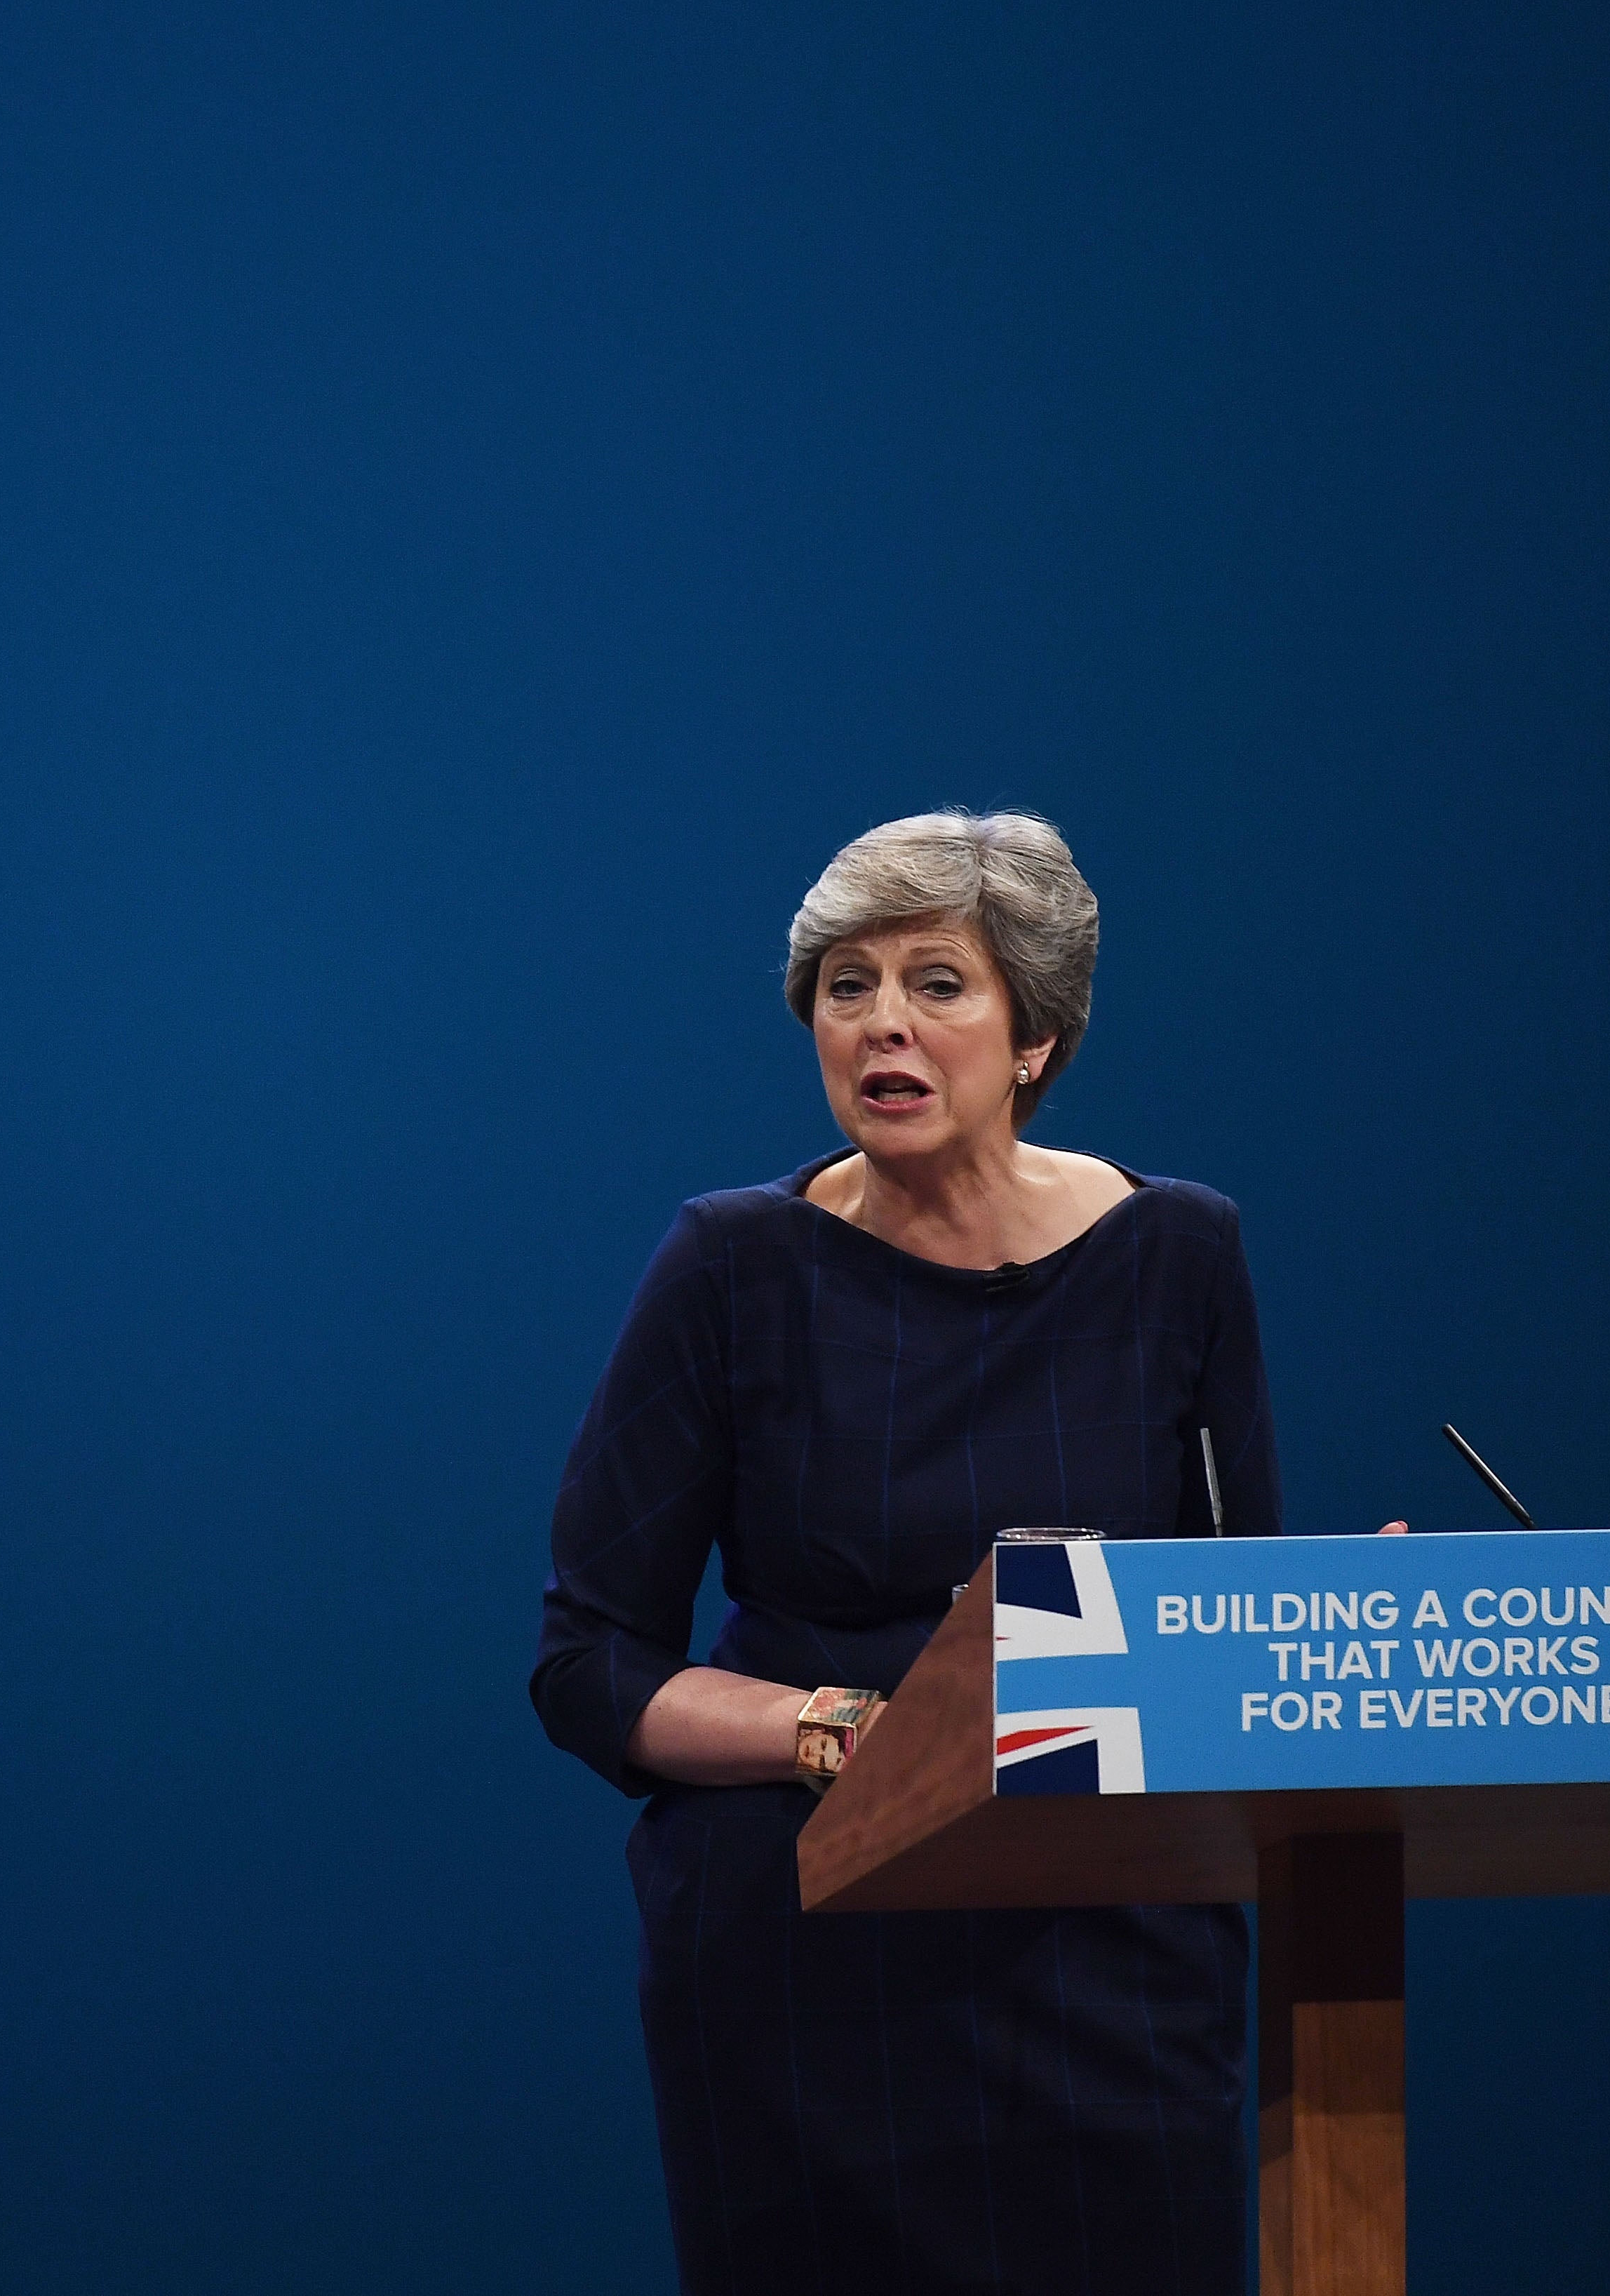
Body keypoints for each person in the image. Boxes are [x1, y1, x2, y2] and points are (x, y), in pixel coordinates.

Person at [532, 809, 1287, 2296]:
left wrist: (1343, 1624)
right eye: (843, 984)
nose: (881, 1022)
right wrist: (849, 1739)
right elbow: (588, 1661)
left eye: (935, 982)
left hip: (1109, 1961)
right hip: (809, 1956)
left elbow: (1221, 1629)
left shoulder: (1178, 1255)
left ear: (1034, 1037)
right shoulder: (730, 1266)